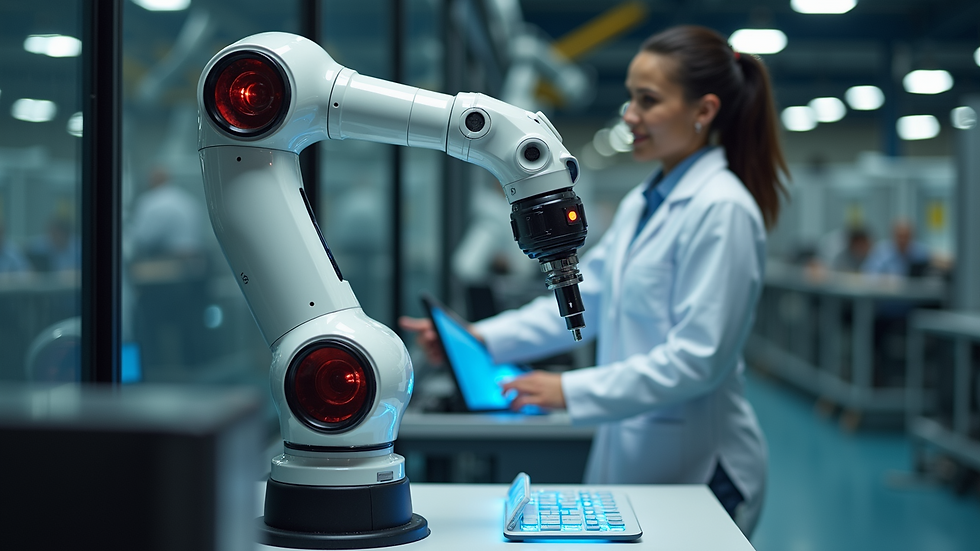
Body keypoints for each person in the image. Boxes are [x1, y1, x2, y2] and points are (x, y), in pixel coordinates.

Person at [401, 25, 786, 536]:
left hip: (703, 470)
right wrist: (482, 339)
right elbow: (587, 302)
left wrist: (568, 390)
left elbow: (700, 360)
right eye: (631, 99)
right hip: (638, 448)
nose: (630, 116)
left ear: (704, 111)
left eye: (647, 101)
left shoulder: (723, 209)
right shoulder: (643, 203)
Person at [861, 219, 930, 277]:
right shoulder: (880, 251)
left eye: (906, 236)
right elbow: (869, 274)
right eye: (900, 236)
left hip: (913, 291)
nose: (903, 240)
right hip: (885, 291)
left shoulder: (918, 250)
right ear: (893, 235)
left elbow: (933, 260)